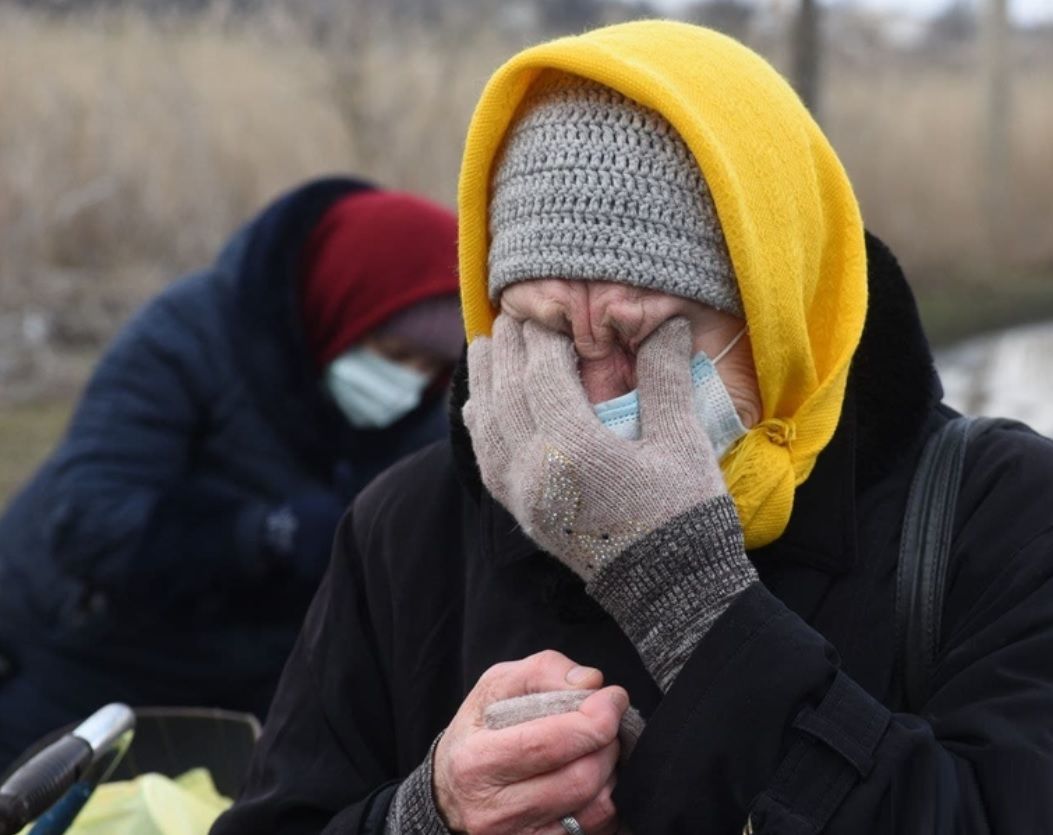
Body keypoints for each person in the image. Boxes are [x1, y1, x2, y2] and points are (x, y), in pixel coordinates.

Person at [212, 23, 1053, 835]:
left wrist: (689, 602)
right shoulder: (407, 529)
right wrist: (426, 813)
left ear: (779, 313)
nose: (589, 399)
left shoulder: (999, 514)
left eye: (642, 339)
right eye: (544, 337)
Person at [0, 177, 464, 765]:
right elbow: (90, 517)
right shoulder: (188, 338)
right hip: (79, 660)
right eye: (396, 353)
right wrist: (264, 535)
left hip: (252, 691)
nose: (410, 381)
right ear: (339, 308)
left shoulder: (425, 410)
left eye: (433, 364)